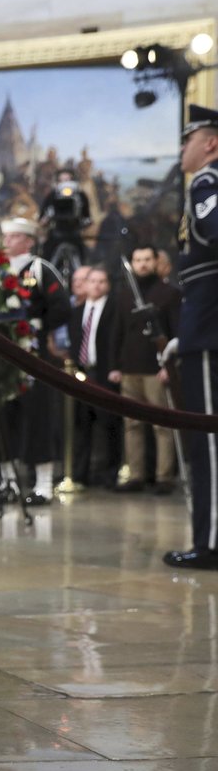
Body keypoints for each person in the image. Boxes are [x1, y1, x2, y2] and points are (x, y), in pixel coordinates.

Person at [163, 105, 218, 570]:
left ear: (210, 144)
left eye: (188, 141)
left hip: (208, 327)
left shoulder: (207, 182)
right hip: (204, 324)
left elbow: (211, 233)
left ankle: (212, 543)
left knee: (208, 441)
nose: (183, 150)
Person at [0, 216, 71, 505]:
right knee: (3, 416)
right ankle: (8, 481)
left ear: (27, 240)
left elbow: (61, 306)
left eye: (13, 237)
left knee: (38, 416)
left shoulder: (41, 269)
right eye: (6, 237)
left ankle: (43, 484)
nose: (7, 242)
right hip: (2, 355)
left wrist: (38, 327)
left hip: (33, 352)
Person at [108, 245, 182, 495]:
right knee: (132, 424)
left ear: (155, 261)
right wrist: (115, 366)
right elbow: (117, 331)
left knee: (162, 426)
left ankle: (164, 477)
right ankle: (136, 474)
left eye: (147, 259)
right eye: (137, 260)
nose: (142, 264)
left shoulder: (169, 293)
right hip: (130, 367)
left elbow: (175, 331)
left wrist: (169, 367)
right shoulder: (124, 295)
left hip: (156, 368)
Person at [66, 265, 120, 487]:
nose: (96, 285)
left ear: (108, 285)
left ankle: (110, 473)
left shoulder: (114, 308)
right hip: (80, 373)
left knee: (108, 424)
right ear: (85, 284)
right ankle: (80, 472)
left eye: (101, 281)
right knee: (81, 424)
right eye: (92, 281)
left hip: (104, 372)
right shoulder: (77, 311)